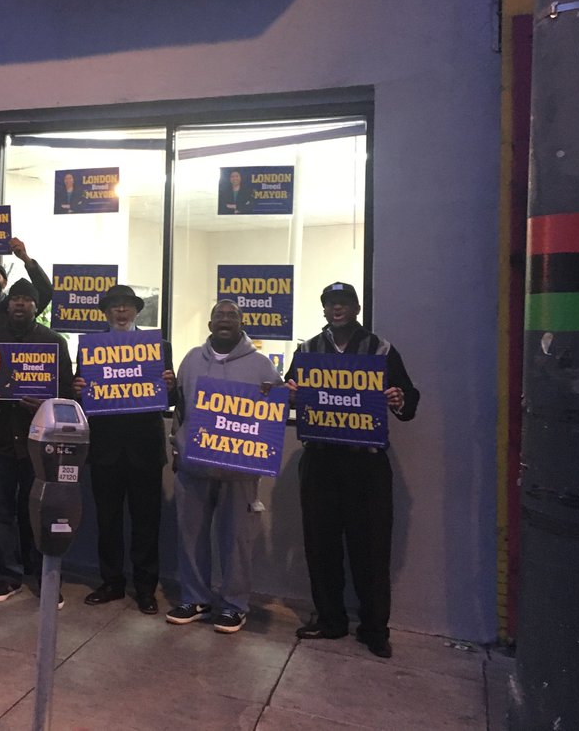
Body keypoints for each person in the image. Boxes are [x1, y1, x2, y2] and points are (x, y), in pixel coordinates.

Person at [286, 282, 420, 659]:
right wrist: (290, 395)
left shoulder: (380, 349)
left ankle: (374, 629)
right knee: (320, 544)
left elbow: (409, 401)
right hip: (321, 461)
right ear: (324, 309)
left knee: (372, 548)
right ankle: (330, 620)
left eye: (344, 302)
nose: (337, 308)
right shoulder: (308, 350)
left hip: (366, 464)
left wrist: (398, 398)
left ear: (357, 308)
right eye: (331, 303)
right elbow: (289, 397)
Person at [168, 299, 280, 633]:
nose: (225, 320)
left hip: (239, 471)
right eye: (219, 315)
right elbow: (180, 409)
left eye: (232, 315)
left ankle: (235, 605)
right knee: (190, 537)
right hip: (193, 467)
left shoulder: (261, 365)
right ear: (210, 324)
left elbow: (273, 414)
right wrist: (177, 447)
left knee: (237, 541)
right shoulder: (191, 359)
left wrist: (285, 396)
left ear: (242, 323)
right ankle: (195, 599)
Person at [73, 284, 174, 615]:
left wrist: (170, 386)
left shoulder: (159, 347)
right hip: (105, 449)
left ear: (136, 311)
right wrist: (78, 389)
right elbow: (80, 395)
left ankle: (146, 589)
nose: (120, 311)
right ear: (105, 312)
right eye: (114, 306)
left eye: (126, 305)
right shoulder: (90, 349)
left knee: (147, 522)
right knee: (108, 521)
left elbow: (170, 399)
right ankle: (111, 582)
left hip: (145, 448)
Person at [0, 278, 74, 604]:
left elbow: (66, 393)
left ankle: (46, 578)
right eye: (15, 298)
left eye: (26, 299)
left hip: (39, 443)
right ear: (8, 304)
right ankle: (8, 576)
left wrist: (46, 403)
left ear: (35, 305)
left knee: (41, 511)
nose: (19, 303)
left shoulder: (54, 342)